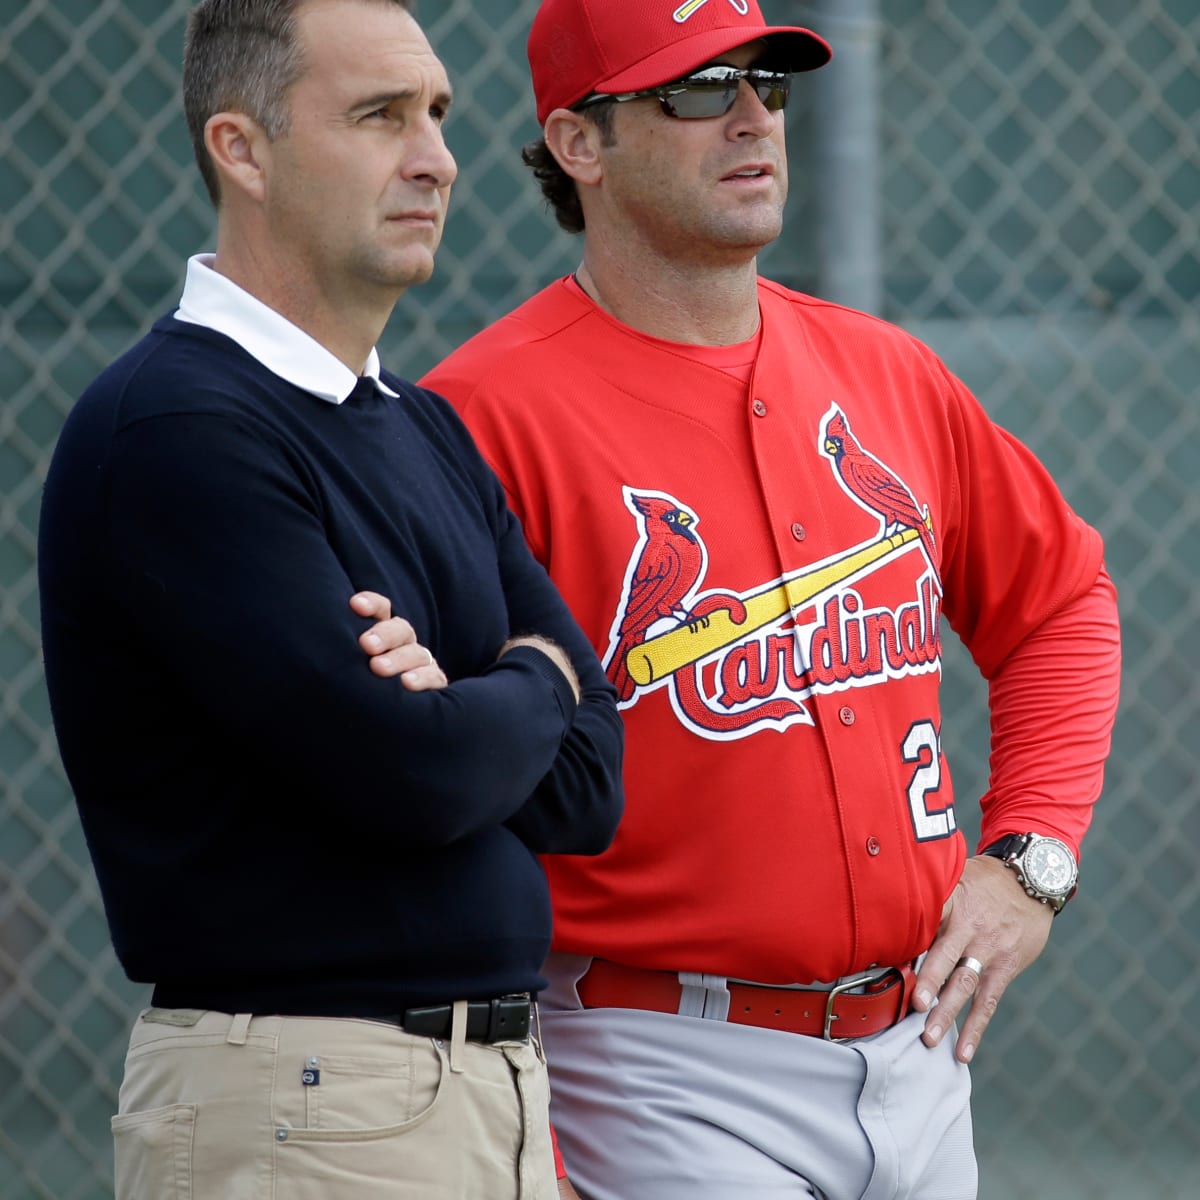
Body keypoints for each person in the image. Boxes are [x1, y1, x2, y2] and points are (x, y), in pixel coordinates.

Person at [413, 1, 1123, 1197]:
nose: (751, 119)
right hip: (652, 1064)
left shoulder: (883, 369)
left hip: (925, 1046)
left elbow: (1060, 600)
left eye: (768, 83)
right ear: (579, 144)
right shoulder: (480, 420)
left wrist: (1030, 861)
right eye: (694, 90)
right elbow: (405, 753)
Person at [36, 1, 623, 1197]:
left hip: (489, 1103)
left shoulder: (421, 424)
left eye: (440, 116)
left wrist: (472, 698)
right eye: (379, 116)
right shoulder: (179, 428)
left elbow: (589, 782)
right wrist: (535, 676)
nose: (437, 157)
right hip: (306, 1108)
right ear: (241, 150)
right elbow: (421, 774)